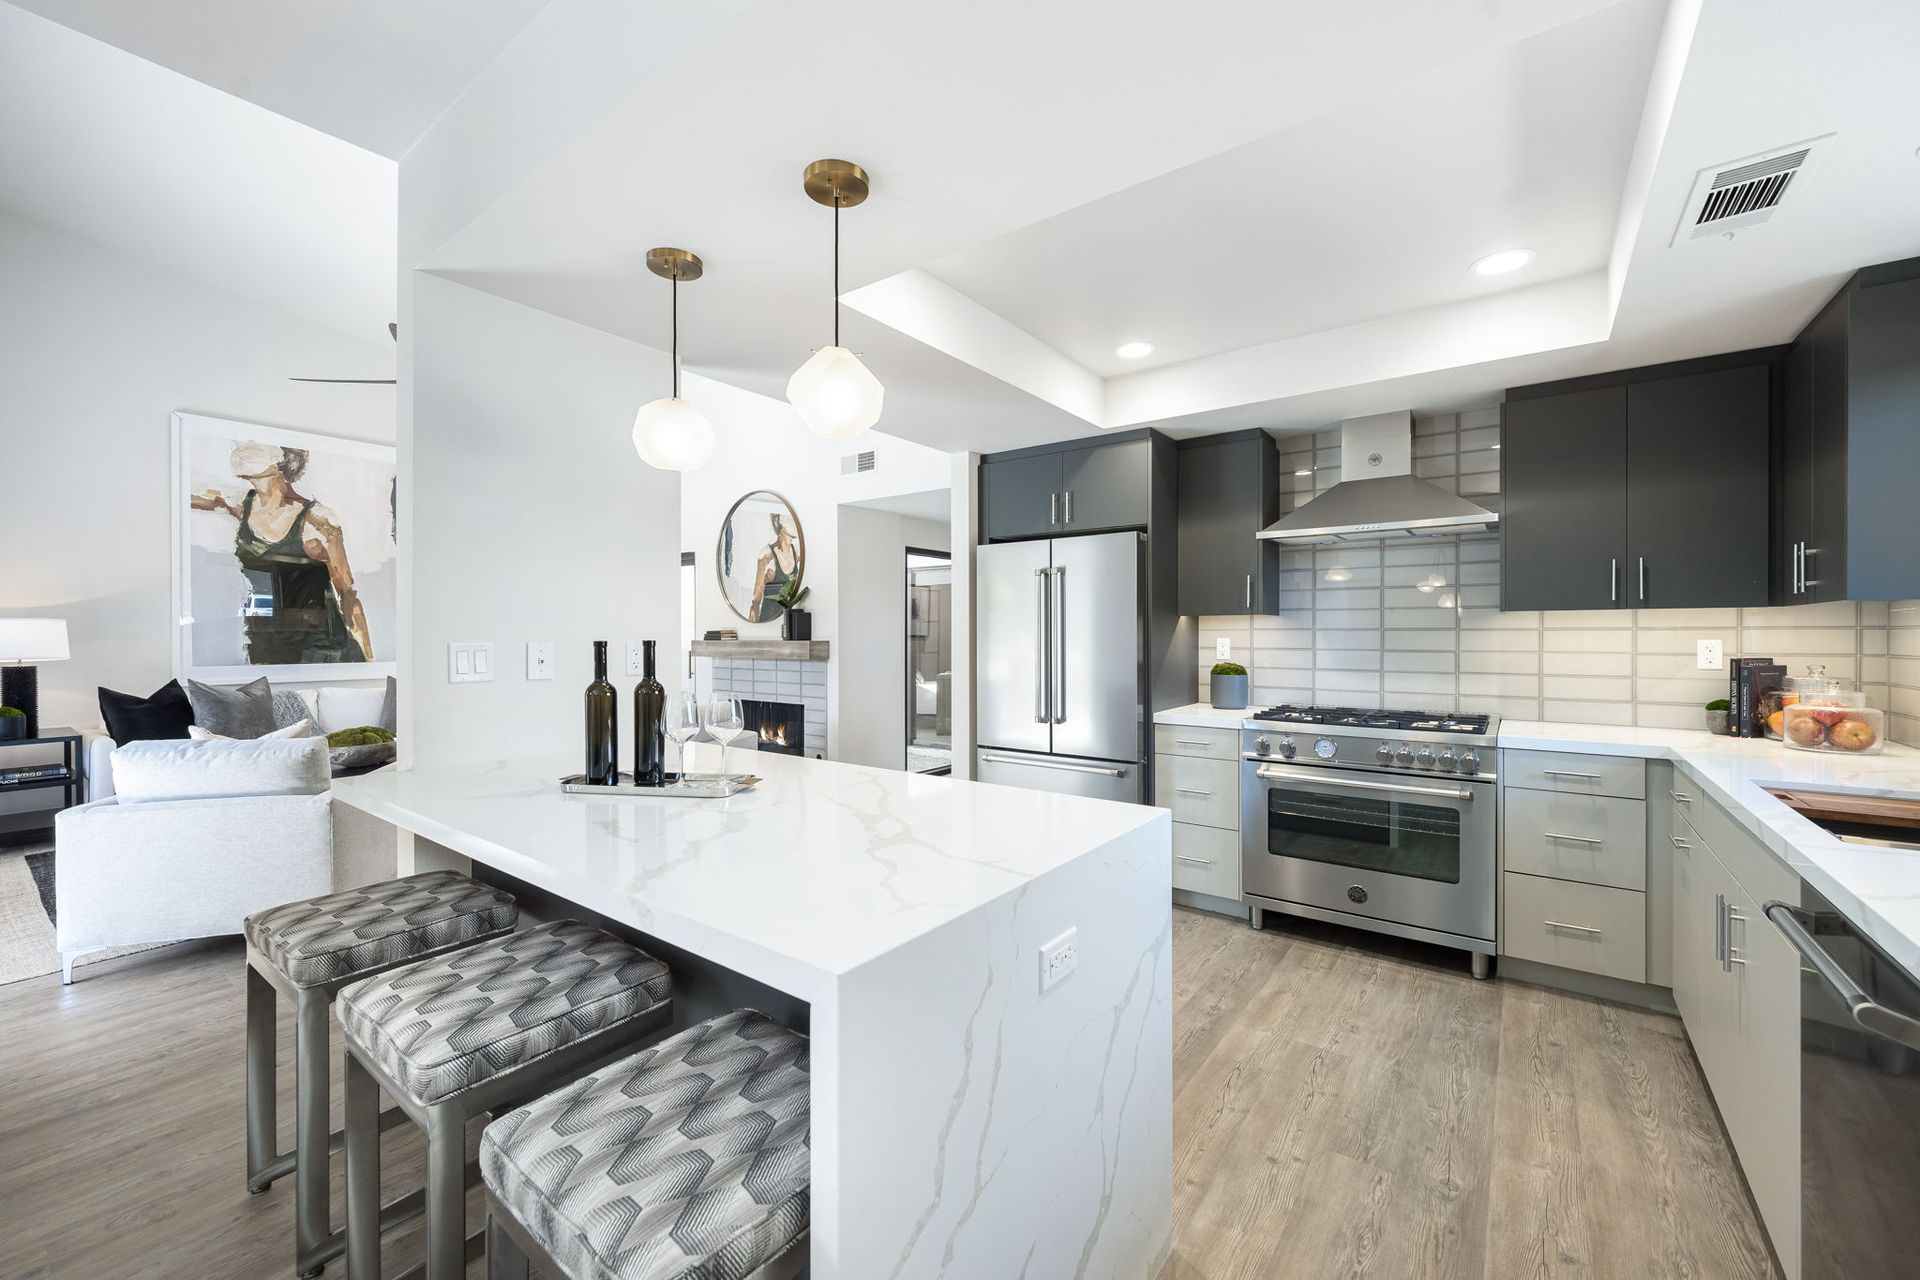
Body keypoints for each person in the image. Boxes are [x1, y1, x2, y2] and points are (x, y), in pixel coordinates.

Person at [192, 442, 372, 664]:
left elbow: (347, 593)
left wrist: (369, 661)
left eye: (255, 446)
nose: (240, 449)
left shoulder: (316, 520)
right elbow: (185, 494)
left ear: (281, 460)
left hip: (318, 648)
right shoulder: (242, 505)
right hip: (262, 640)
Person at [748, 512, 801, 621]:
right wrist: (753, 622)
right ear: (780, 524)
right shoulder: (767, 554)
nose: (793, 523)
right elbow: (756, 597)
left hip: (787, 619)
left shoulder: (797, 553)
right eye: (789, 520)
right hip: (768, 618)